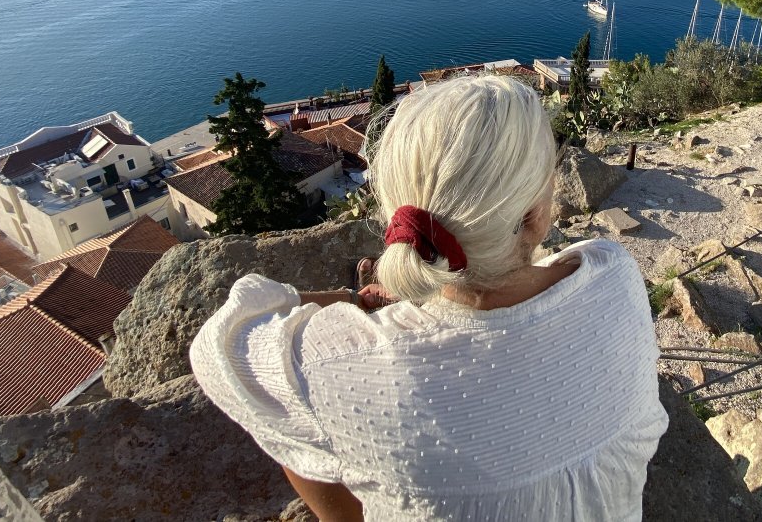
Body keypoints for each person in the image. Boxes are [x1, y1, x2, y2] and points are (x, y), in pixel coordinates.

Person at [190, 76, 667, 522]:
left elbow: (217, 345)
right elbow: (548, 271)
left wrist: (352, 300)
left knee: (297, 437)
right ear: (534, 217)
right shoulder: (613, 275)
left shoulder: (340, 364)